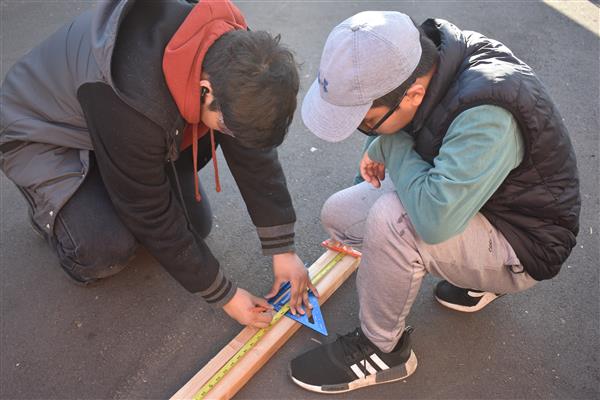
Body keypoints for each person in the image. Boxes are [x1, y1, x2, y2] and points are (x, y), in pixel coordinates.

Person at [290, 11, 580, 393]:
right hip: (482, 199)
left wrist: (389, 143)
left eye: (364, 122)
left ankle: (383, 351)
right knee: (340, 217)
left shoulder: (487, 114)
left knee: (394, 221)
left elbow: (434, 221)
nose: (360, 130)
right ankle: (449, 267)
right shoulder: (423, 61)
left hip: (523, 241)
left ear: (410, 95)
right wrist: (379, 139)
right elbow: (417, 128)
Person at [0, 0, 317, 329]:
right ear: (205, 90)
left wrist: (283, 250)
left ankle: (108, 183)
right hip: (44, 132)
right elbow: (147, 209)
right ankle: (56, 215)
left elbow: (252, 151)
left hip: (115, 127)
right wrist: (225, 295)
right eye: (226, 126)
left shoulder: (242, 57)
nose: (228, 135)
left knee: (196, 226)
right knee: (105, 250)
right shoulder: (134, 98)